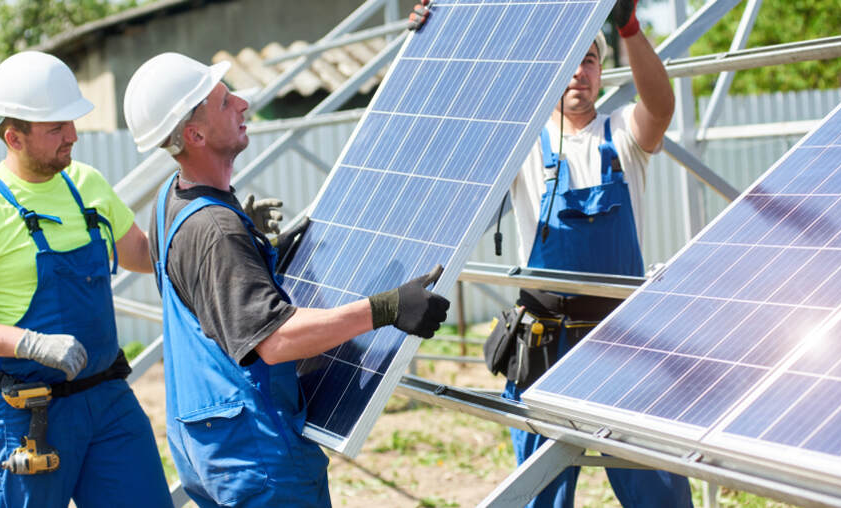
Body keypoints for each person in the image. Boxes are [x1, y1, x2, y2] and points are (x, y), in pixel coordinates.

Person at [122, 52, 451, 507]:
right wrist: (385, 308)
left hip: (206, 439)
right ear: (194, 134)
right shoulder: (215, 230)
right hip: (256, 452)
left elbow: (204, 288)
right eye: (223, 102)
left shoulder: (169, 201)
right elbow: (273, 340)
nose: (242, 103)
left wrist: (251, 246)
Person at [411, 1, 692, 507]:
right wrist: (437, 41)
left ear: (601, 70)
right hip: (545, 346)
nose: (578, 72)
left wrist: (627, 22)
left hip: (623, 341)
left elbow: (663, 107)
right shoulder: (521, 143)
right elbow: (452, 122)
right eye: (567, 61)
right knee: (539, 495)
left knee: (659, 491)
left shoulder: (625, 132)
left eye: (588, 59)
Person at [0, 51, 172, 508]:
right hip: (26, 412)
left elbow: (140, 253)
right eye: (56, 128)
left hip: (108, 401)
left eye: (71, 122)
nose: (73, 136)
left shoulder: (86, 184)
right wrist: (29, 343)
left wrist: (211, 229)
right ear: (14, 137)